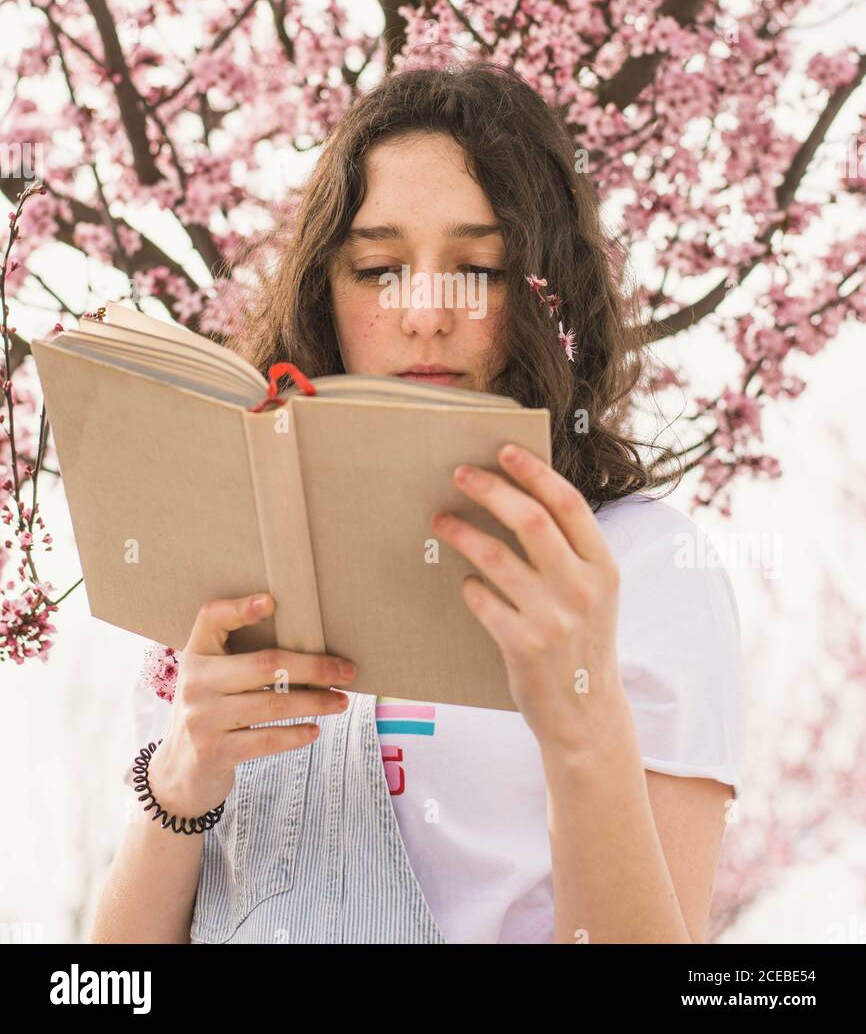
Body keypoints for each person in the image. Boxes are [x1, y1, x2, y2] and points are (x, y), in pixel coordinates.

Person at [90, 59, 746, 944]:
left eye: (477, 267)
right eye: (378, 268)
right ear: (327, 288)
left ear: (545, 297)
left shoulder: (640, 569)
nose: (426, 315)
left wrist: (578, 720)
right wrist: (179, 778)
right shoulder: (229, 557)